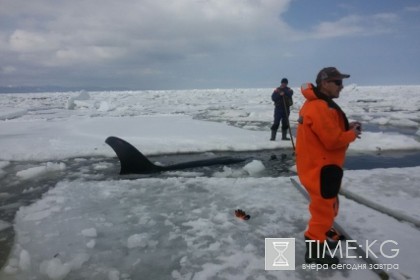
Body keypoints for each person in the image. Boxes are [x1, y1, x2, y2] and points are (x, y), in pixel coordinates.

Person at [295, 67, 362, 265]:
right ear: (325, 83)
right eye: (338, 82)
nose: (342, 87)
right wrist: (352, 134)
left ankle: (324, 237)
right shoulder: (319, 107)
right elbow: (332, 141)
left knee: (330, 205)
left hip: (322, 166)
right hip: (321, 169)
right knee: (323, 211)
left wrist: (347, 129)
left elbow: (328, 133)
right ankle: (315, 253)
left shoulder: (318, 104)